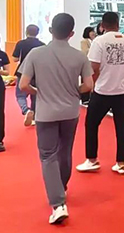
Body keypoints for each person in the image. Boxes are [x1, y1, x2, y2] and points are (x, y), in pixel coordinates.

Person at [18, 13, 94, 224]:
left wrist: (38, 92)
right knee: (65, 151)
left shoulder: (36, 54)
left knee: (48, 156)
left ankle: (58, 204)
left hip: (46, 113)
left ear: (51, 30)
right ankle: (62, 187)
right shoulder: (80, 56)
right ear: (72, 33)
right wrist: (74, 92)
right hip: (71, 112)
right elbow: (89, 85)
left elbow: (23, 85)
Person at [76, 12, 124, 175]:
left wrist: (91, 84)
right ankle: (121, 163)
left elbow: (94, 67)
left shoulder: (99, 41)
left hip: (103, 90)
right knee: (121, 126)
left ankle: (92, 160)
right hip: (122, 91)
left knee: (91, 124)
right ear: (118, 24)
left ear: (102, 25)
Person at [13, 24, 45, 126]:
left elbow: (15, 59)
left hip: (23, 71)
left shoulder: (21, 43)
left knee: (20, 95)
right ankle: (34, 117)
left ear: (26, 32)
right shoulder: (42, 45)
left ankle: (26, 110)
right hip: (37, 73)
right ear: (38, 33)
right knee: (35, 95)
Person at [0, 47, 10, 152]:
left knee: (0, 112)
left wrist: (0, 71)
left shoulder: (2, 54)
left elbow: (7, 72)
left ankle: (0, 140)